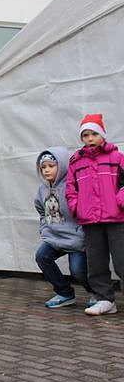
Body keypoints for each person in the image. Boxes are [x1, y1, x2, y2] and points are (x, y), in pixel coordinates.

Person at [66, 114, 124, 316]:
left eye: (94, 134)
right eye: (85, 135)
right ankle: (105, 299)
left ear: (102, 134)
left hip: (116, 218)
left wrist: (120, 201)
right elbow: (70, 189)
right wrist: (77, 207)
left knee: (121, 260)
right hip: (90, 220)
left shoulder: (117, 158)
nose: (90, 138)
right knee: (96, 262)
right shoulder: (76, 162)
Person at [34, 147, 91, 308]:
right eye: (43, 167)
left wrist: (81, 233)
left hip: (76, 238)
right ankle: (65, 292)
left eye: (51, 166)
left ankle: (98, 294)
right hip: (54, 237)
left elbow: (84, 210)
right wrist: (44, 229)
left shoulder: (73, 186)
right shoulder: (42, 189)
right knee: (42, 257)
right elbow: (41, 211)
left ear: (62, 166)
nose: (46, 170)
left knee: (78, 270)